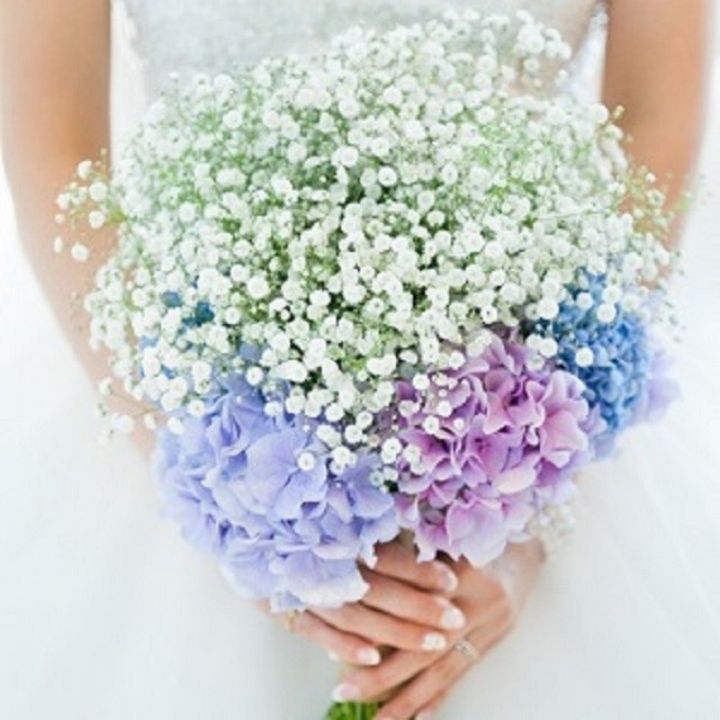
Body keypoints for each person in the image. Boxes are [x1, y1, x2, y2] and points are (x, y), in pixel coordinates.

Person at [1, 2, 718, 719]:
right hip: (180, 400)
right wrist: (229, 499)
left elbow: (653, 118)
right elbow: (54, 145)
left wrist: (527, 510)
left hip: (522, 424)